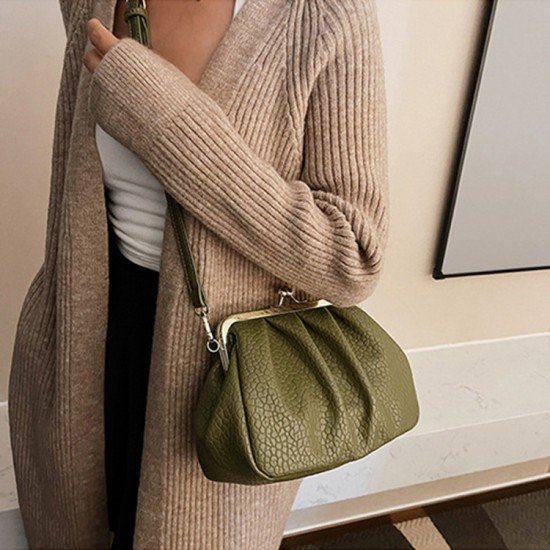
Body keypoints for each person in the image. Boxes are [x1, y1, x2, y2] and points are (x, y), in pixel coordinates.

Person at [8, 0, 390, 548]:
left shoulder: (325, 14)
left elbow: (353, 253)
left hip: (222, 376)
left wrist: (165, 120)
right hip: (80, 347)